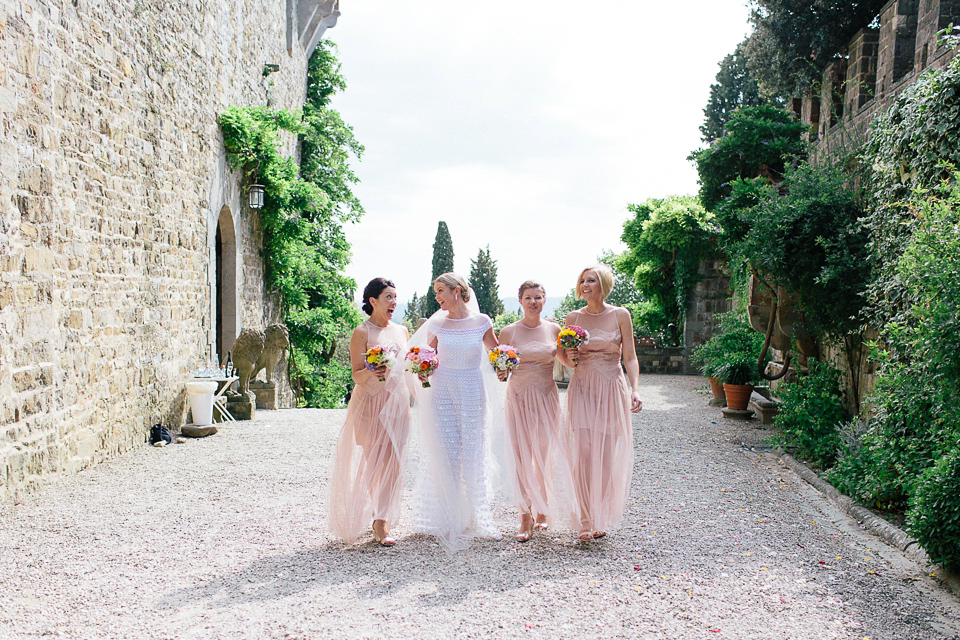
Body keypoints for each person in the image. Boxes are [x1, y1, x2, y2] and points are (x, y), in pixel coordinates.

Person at [406, 272, 504, 550]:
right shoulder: (437, 325)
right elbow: (427, 356)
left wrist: (505, 364)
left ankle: (478, 516)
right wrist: (422, 370)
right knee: (448, 452)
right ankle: (448, 518)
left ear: (457, 291)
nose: (437, 297)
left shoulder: (482, 322)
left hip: (473, 389)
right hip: (443, 391)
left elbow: (496, 352)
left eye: (440, 291)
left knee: (472, 450)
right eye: (435, 292)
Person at [556, 265, 643, 542]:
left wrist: (635, 389)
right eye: (582, 280)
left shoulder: (620, 315)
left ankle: (598, 515)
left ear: (603, 284)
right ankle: (583, 518)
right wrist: (569, 356)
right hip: (582, 387)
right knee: (583, 450)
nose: (585, 284)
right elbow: (567, 360)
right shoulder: (573, 316)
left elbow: (629, 356)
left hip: (611, 387)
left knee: (605, 454)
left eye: (590, 280)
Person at [328, 278, 410, 546]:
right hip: (370, 405)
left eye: (395, 297)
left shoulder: (402, 331)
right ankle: (380, 520)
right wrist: (374, 370)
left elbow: (407, 369)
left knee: (395, 462)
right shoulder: (361, 332)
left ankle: (382, 517)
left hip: (397, 403)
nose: (394, 302)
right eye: (388, 297)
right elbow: (356, 375)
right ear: (373, 301)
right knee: (375, 464)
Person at [497, 280, 569, 542]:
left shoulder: (554, 329)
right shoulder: (508, 332)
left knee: (543, 455)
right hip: (518, 398)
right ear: (520, 301)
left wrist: (580, 350)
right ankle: (524, 515)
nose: (533, 302)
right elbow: (501, 370)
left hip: (547, 397)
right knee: (521, 455)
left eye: (538, 297)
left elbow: (566, 360)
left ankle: (542, 509)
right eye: (528, 298)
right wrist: (501, 371)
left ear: (544, 300)